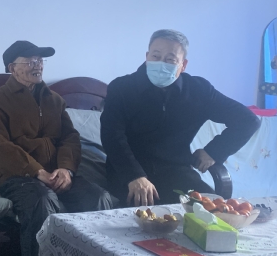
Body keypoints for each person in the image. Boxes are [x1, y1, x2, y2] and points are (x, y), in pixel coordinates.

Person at [0, 40, 114, 256]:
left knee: (99, 197)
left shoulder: (55, 100)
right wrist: (37, 172)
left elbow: (70, 138)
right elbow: (0, 145)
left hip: (59, 174)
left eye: (40, 60)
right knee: (43, 200)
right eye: (30, 61)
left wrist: (65, 169)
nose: (37, 65)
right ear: (12, 68)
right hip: (19, 176)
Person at [101, 29, 261, 207]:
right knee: (143, 217)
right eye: (156, 56)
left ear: (183, 65)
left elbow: (248, 120)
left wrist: (213, 151)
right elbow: (111, 136)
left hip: (176, 171)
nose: (161, 63)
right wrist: (134, 176)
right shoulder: (122, 88)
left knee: (213, 210)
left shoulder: (198, 90)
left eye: (170, 59)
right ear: (147, 57)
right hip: (129, 173)